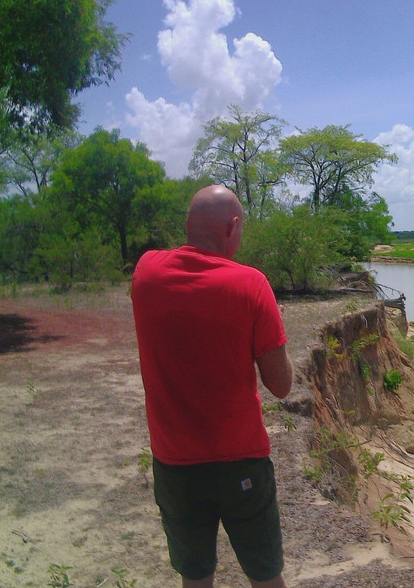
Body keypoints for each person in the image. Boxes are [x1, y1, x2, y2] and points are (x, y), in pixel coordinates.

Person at [131, 184, 293, 588]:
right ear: (232, 227)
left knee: (196, 577)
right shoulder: (252, 285)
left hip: (175, 461)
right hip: (241, 461)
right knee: (266, 576)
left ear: (187, 226)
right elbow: (282, 385)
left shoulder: (146, 272)